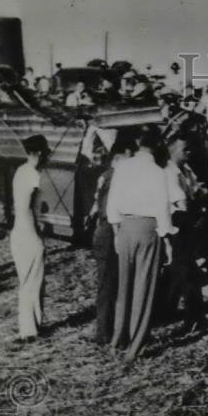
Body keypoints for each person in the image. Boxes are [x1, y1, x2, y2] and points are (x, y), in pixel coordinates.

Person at [106, 125, 175, 361]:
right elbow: (162, 207)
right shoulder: (157, 171)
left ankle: (117, 340)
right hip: (148, 228)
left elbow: (112, 201)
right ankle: (135, 346)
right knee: (144, 288)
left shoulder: (123, 167)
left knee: (123, 287)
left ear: (137, 144)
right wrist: (166, 237)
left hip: (124, 227)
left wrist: (116, 230)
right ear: (156, 145)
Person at [162, 136, 206, 333]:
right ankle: (194, 317)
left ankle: (168, 309)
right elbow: (183, 203)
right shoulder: (169, 173)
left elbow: (197, 190)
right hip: (177, 223)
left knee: (178, 269)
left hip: (188, 221)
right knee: (187, 272)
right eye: (184, 150)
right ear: (173, 151)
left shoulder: (186, 170)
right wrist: (196, 203)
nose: (188, 153)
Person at [9, 135, 49, 341]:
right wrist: (39, 234)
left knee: (26, 282)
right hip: (29, 233)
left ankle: (29, 327)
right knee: (34, 282)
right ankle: (32, 329)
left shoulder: (20, 171)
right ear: (40, 153)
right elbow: (32, 209)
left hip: (17, 233)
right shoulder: (34, 176)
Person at [89, 129, 125, 344]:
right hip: (110, 231)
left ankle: (106, 328)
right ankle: (104, 331)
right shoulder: (115, 177)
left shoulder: (105, 175)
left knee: (108, 283)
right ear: (118, 158)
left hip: (102, 231)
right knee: (109, 284)